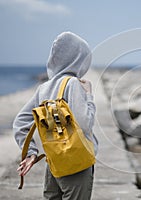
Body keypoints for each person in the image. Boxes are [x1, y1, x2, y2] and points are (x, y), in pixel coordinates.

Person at [13, 31, 98, 199]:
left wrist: (31, 152)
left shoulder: (43, 88)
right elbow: (86, 123)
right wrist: (89, 95)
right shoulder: (73, 84)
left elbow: (20, 122)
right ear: (79, 60)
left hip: (54, 163)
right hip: (76, 164)